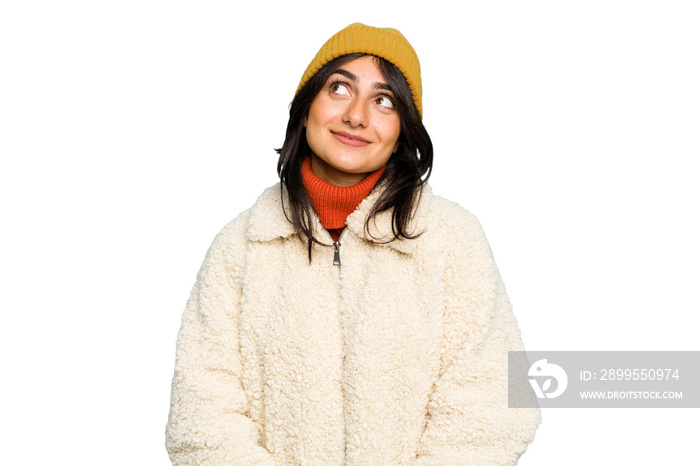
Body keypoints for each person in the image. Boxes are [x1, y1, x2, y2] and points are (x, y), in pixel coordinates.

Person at [165, 23, 541, 465]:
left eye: (383, 100)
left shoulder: (451, 238)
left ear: (403, 130)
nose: (357, 116)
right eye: (340, 88)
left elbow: (491, 406)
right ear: (306, 110)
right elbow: (202, 415)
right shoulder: (241, 246)